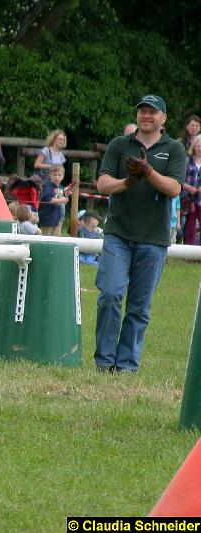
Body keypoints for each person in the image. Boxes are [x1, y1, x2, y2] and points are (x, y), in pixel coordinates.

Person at [94, 94, 185, 374]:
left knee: (139, 307)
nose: (146, 116)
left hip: (154, 238)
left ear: (163, 118)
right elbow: (102, 184)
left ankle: (127, 366)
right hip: (118, 233)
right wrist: (127, 181)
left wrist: (148, 172)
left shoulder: (175, 149)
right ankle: (104, 362)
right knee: (109, 294)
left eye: (152, 112)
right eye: (142, 111)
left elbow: (174, 188)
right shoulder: (120, 145)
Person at [38, 165, 68, 236]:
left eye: (59, 175)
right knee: (45, 239)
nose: (57, 177)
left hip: (55, 220)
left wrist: (64, 197)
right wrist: (62, 200)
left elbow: (58, 202)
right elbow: (49, 199)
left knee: (55, 239)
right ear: (50, 175)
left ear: (63, 176)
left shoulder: (60, 187)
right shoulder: (47, 186)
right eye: (54, 175)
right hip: (47, 219)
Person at [183, 135, 201, 245]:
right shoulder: (186, 161)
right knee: (190, 228)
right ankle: (189, 255)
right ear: (194, 147)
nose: (200, 148)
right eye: (198, 146)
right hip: (189, 201)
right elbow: (179, 180)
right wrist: (189, 188)